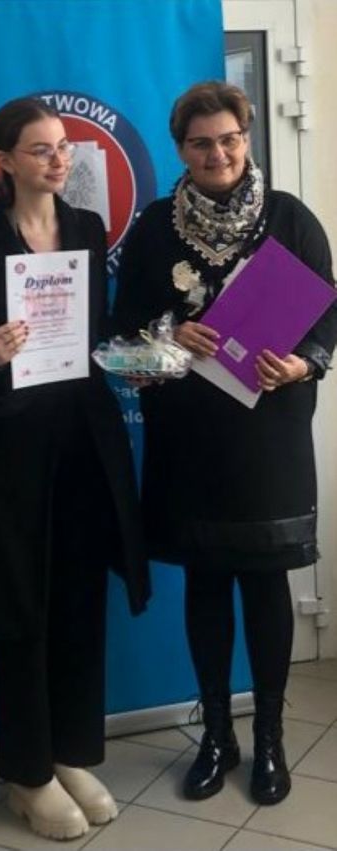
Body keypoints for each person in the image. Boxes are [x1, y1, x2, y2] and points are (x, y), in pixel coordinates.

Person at [113, 81, 337, 806]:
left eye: (230, 139)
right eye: (202, 142)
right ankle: (217, 734)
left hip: (268, 438)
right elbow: (120, 338)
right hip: (189, 439)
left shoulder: (290, 218)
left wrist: (303, 363)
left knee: (266, 584)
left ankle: (269, 736)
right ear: (181, 149)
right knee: (206, 584)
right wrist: (167, 334)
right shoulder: (154, 229)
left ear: (247, 138)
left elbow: (329, 316)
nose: (219, 154)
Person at [0, 97, 150, 840]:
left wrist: (135, 358)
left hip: (84, 443)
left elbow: (97, 334)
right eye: (40, 149)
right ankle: (26, 771)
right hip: (14, 451)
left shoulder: (87, 229)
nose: (58, 159)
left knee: (78, 598)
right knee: (22, 605)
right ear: (4, 161)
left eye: (63, 146)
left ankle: (71, 752)